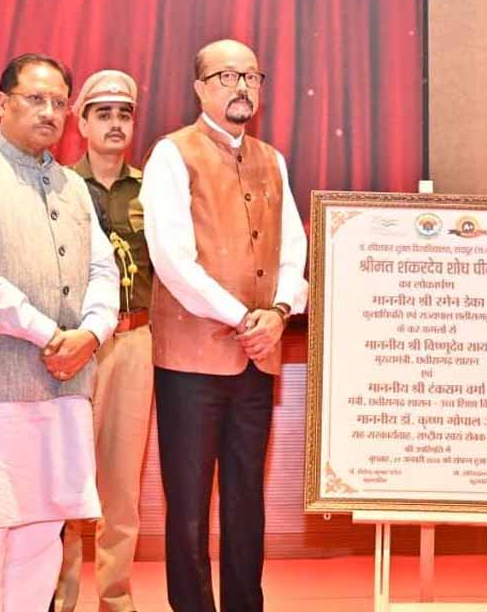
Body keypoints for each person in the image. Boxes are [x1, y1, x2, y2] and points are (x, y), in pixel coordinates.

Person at [140, 38, 308, 612]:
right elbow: (172, 261)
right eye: (226, 77)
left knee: (245, 499)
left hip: (258, 356)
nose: (241, 87)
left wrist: (278, 312)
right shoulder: (172, 155)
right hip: (190, 363)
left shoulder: (272, 159)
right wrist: (244, 318)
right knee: (188, 506)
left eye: (251, 77)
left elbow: (294, 250)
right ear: (199, 88)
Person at [0, 53, 119, 611]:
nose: (49, 112)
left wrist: (91, 334)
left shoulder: (73, 186)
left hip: (66, 390)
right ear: (0, 106)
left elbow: (103, 271)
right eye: (35, 99)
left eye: (58, 103)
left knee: (44, 534)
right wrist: (51, 336)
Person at [55, 69, 153, 612]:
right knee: (68, 479)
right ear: (83, 123)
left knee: (121, 485)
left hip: (135, 341)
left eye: (124, 114)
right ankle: (60, 598)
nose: (116, 124)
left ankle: (116, 599)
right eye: (104, 114)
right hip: (76, 347)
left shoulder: (151, 190)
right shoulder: (61, 186)